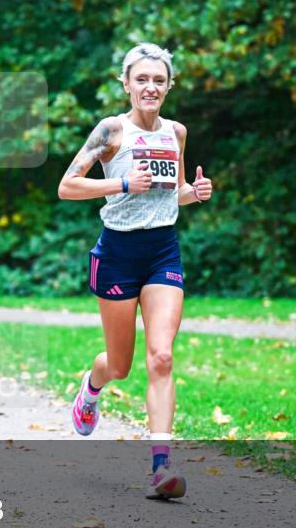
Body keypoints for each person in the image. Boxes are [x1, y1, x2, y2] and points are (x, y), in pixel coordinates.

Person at [57, 42, 213, 499]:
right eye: (141, 79)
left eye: (158, 80)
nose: (150, 87)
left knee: (161, 357)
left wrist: (195, 191)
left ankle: (161, 467)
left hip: (163, 250)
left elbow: (175, 191)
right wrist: (122, 182)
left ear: (168, 86)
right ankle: (91, 387)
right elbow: (67, 186)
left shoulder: (177, 133)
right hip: (119, 253)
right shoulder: (110, 131)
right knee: (120, 365)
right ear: (126, 84)